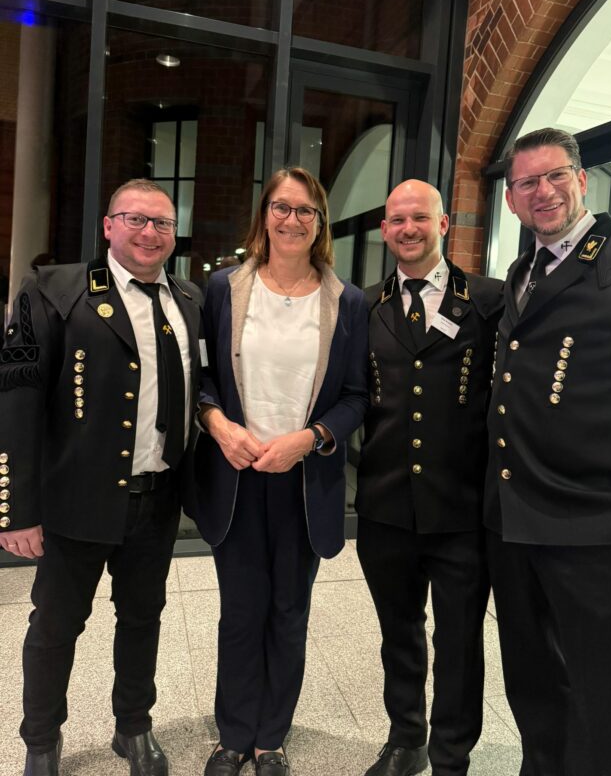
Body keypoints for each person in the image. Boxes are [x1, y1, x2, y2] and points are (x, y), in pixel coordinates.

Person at [0, 178, 203, 776]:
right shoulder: (55, 290)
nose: (149, 232)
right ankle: (41, 740)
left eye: (162, 223)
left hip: (157, 499)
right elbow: (16, 401)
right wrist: (15, 510)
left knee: (143, 619)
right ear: (109, 226)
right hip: (75, 500)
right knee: (56, 626)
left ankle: (133, 727)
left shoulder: (188, 299)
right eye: (135, 219)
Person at [485, 127, 611, 776]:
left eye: (555, 175)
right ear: (510, 200)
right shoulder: (522, 271)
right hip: (516, 523)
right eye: (527, 182)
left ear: (583, 180)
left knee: (604, 704)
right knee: (534, 687)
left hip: (596, 527)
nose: (544, 191)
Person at [185, 166, 369, 776]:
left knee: (289, 614)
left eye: (305, 210)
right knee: (241, 612)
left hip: (303, 482)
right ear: (264, 215)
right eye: (281, 208)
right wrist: (218, 425)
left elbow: (355, 396)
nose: (292, 220)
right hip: (236, 475)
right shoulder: (224, 289)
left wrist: (309, 440)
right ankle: (233, 735)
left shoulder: (347, 302)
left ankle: (271, 739)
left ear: (320, 223)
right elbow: (202, 379)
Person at [356, 179, 503, 776]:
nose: (408, 229)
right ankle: (406, 738)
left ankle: (450, 755)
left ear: (443, 224)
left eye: (420, 217)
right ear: (384, 230)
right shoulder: (363, 305)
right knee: (399, 632)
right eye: (397, 219)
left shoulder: (489, 299)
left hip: (461, 508)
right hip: (385, 505)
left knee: (460, 640)